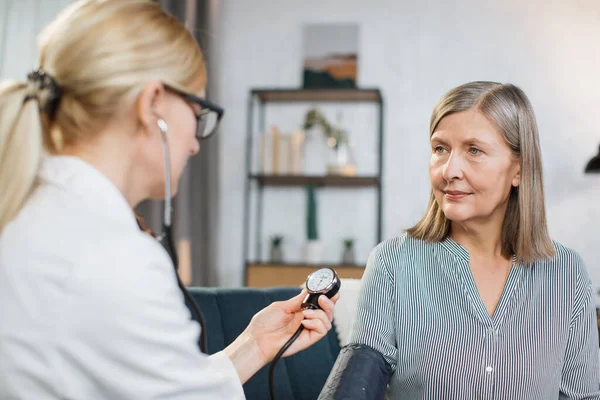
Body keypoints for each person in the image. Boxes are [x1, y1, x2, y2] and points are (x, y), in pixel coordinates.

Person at [0, 1, 338, 399]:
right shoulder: (113, 257)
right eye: (198, 113)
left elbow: (153, 384)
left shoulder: (34, 213)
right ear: (151, 103)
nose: (195, 144)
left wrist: (255, 344)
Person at [319, 81, 600, 399]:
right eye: (440, 149)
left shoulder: (568, 274)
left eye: (474, 150)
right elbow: (355, 386)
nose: (449, 170)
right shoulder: (392, 264)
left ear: (518, 170)